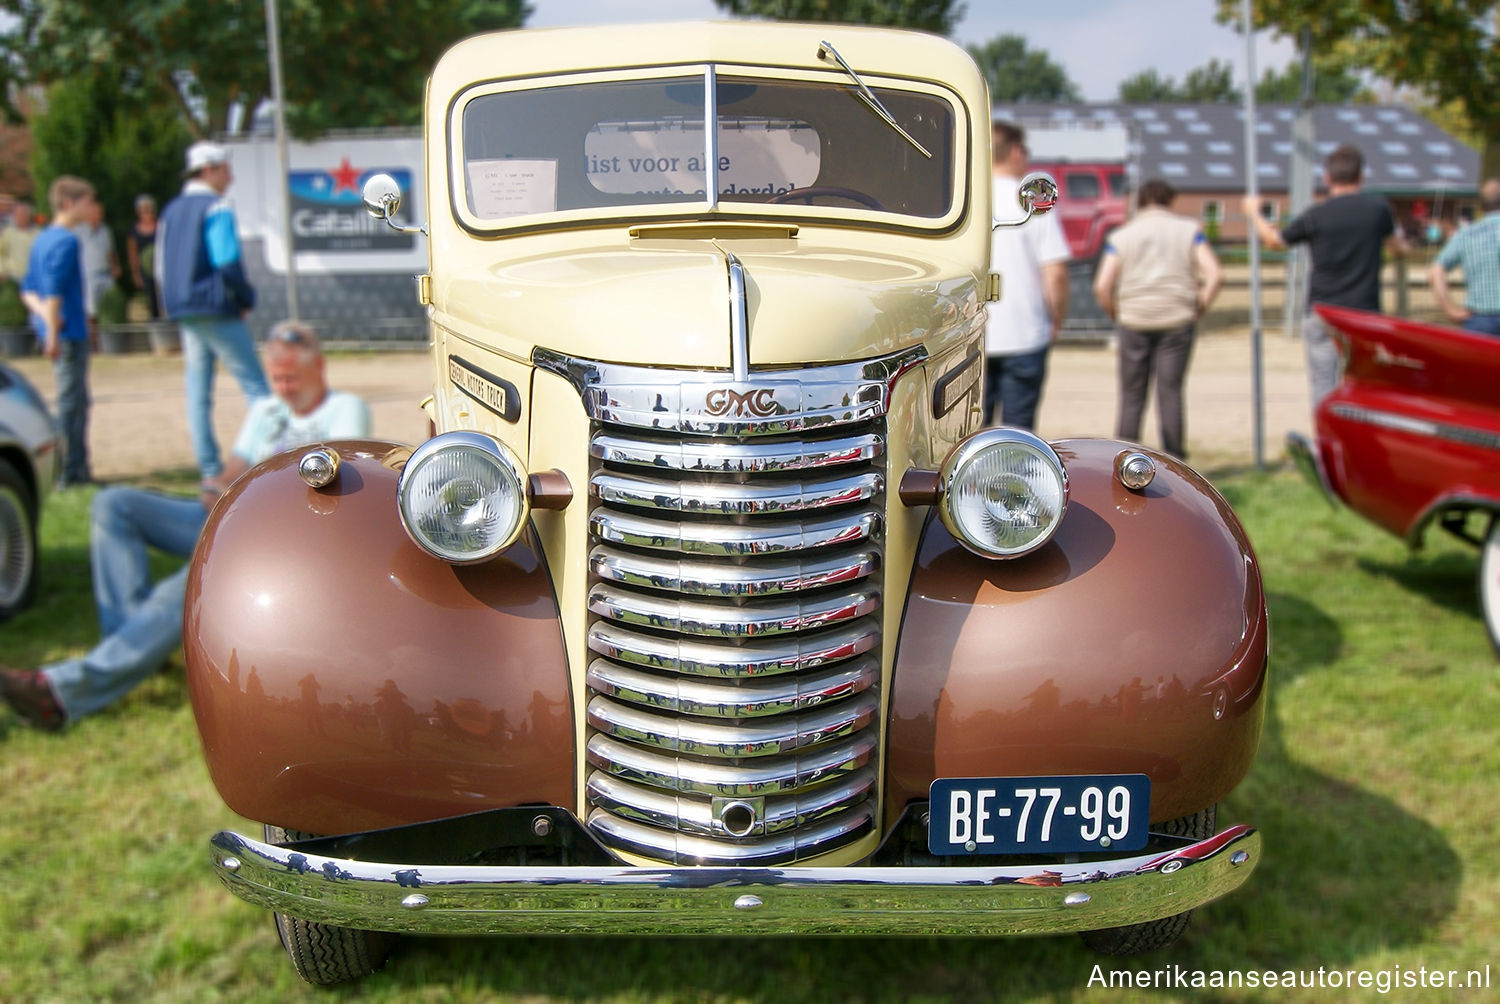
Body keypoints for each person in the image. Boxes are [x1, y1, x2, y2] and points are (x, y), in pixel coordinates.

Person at [0, 322, 371, 730]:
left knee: (185, 583)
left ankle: (60, 693)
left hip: (272, 538)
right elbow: (234, 466)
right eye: (277, 378)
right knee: (113, 504)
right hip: (223, 513)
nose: (283, 387)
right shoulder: (266, 410)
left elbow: (325, 485)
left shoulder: (345, 410)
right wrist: (216, 485)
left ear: (319, 367)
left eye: (292, 378)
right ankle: (132, 643)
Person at [1242, 143, 1408, 405]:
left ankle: (1328, 441)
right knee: (1363, 381)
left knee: (1323, 382)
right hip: (1363, 312)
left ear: (1327, 178)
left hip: (1322, 310)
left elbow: (1275, 241)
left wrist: (1254, 214)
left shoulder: (1315, 215)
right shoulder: (1379, 211)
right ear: (1361, 178)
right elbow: (1398, 247)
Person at [157, 140, 270, 486]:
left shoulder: (171, 210)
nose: (230, 176)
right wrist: (245, 296)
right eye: (225, 168)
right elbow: (226, 260)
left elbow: (161, 267)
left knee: (198, 390)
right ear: (209, 170)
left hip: (183, 308)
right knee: (260, 394)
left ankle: (209, 470)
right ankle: (261, 462)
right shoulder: (216, 206)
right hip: (215, 307)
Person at [1093, 178, 1223, 460]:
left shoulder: (1122, 235)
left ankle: (1125, 457)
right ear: (1170, 200)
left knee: (1131, 396)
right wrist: (1198, 306)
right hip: (1177, 320)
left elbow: (1103, 285)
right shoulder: (1190, 232)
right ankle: (1176, 459)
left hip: (1134, 320)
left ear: (1140, 202)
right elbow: (1215, 274)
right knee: (1171, 392)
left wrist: (1118, 313)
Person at [985, 120, 1070, 431]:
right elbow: (1055, 272)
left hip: (973, 333)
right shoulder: (1033, 200)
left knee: (968, 434)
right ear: (1017, 151)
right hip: (1024, 332)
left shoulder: (967, 198)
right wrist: (1056, 316)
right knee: (1018, 432)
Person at [20, 176, 96, 487]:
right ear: (68, 203)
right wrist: (53, 331)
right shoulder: (66, 241)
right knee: (70, 403)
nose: (90, 208)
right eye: (86, 202)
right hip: (68, 335)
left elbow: (28, 290)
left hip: (59, 330)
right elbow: (52, 291)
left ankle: (76, 469)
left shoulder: (41, 239)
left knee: (76, 400)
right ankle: (68, 472)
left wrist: (43, 320)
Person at [1429, 178, 1500, 336]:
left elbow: (1436, 272)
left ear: (1481, 205)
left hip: (1479, 319)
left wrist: (1451, 310)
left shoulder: (1466, 234)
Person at [72, 198, 119, 323]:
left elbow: (110, 251)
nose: (100, 215)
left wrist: (115, 266)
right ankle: (92, 340)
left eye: (101, 212)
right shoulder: (79, 231)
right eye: (97, 212)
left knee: (108, 306)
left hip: (105, 273)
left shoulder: (105, 230)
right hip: (88, 274)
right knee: (91, 311)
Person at [125, 194, 160, 319]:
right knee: (151, 299)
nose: (147, 213)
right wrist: (136, 274)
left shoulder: (160, 226)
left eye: (149, 209)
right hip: (145, 270)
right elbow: (132, 253)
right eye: (144, 210)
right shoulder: (134, 230)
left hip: (160, 266)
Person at [0, 200, 38, 284]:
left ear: (29, 216)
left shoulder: (38, 234)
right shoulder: (7, 233)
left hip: (33, 277)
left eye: (24, 214)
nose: (21, 217)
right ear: (14, 216)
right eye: (18, 215)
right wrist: (2, 270)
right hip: (12, 277)